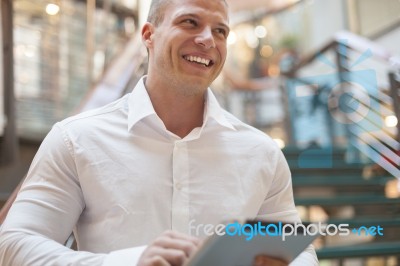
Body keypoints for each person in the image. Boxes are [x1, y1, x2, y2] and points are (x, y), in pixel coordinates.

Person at [0, 0, 319, 265]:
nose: (208, 38)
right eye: (190, 22)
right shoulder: (76, 139)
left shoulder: (262, 152)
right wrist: (130, 262)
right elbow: (14, 245)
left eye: (220, 30)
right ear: (149, 35)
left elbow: (299, 251)